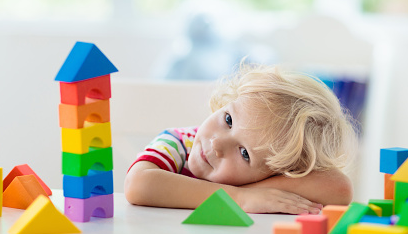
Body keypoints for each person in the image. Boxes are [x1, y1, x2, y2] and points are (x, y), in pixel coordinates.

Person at [124, 63, 358, 214]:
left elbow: (339, 189)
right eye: (228, 120)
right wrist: (241, 197)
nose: (217, 144)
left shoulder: (259, 180)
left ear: (277, 172)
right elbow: (138, 185)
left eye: (245, 153)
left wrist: (258, 192)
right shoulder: (179, 142)